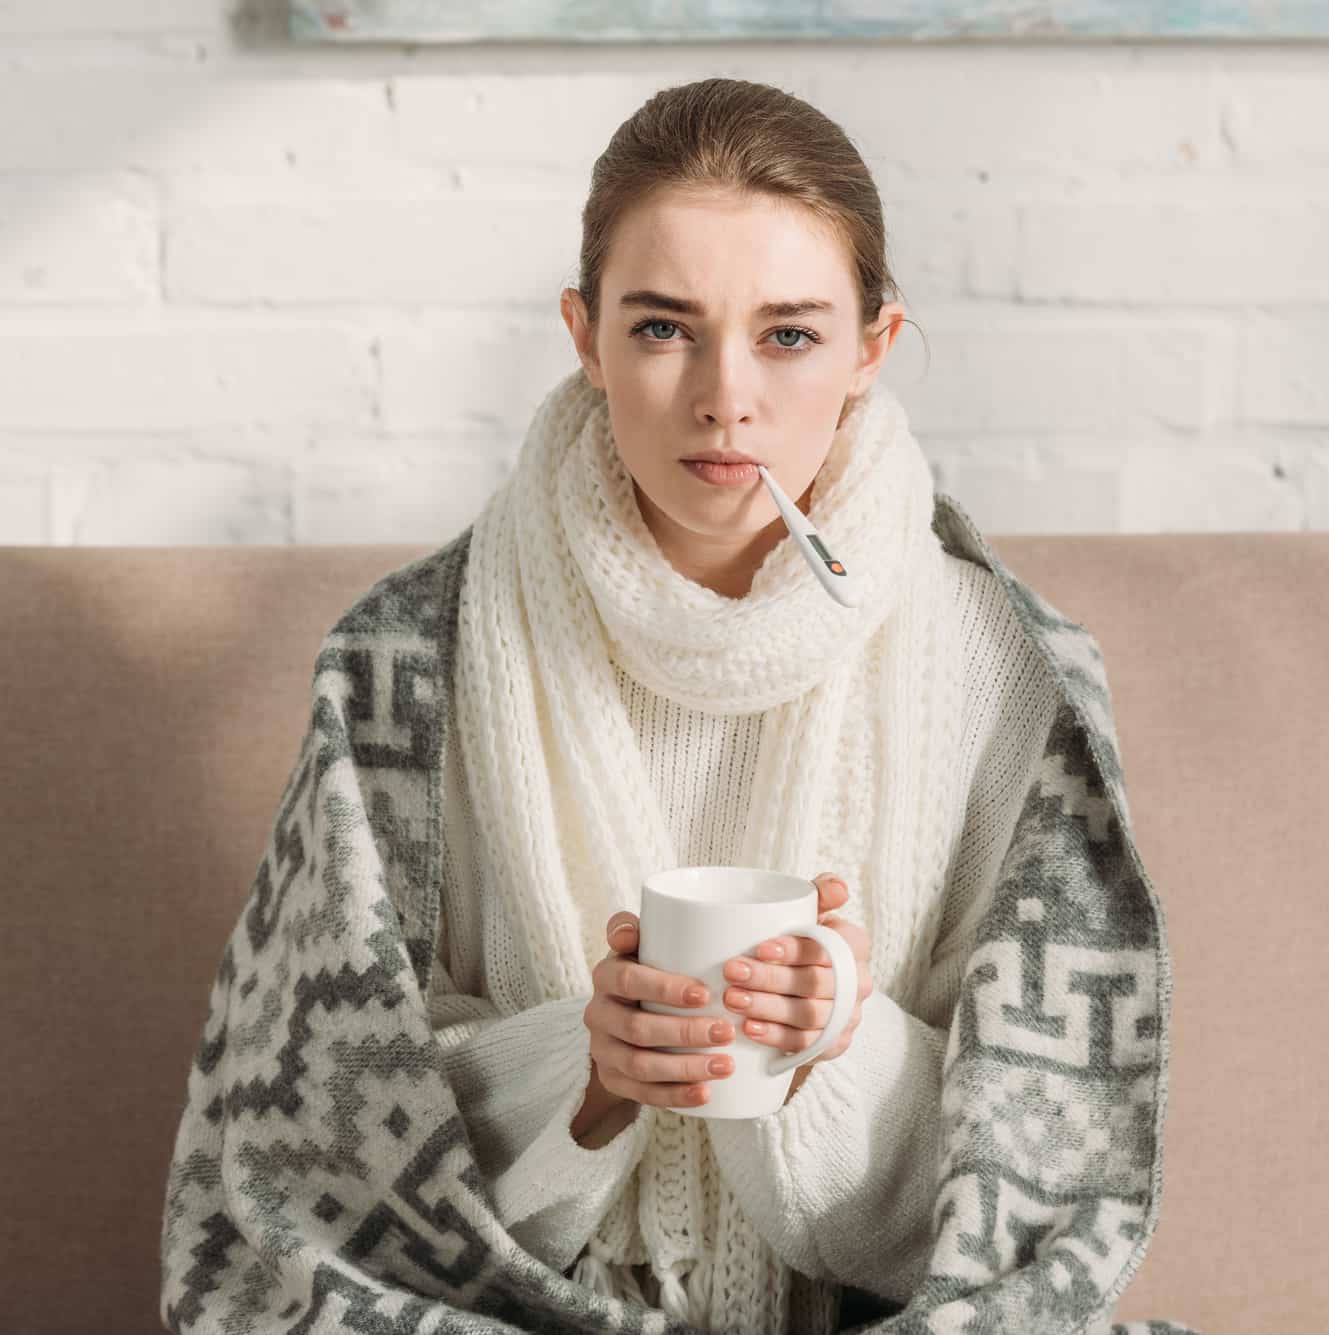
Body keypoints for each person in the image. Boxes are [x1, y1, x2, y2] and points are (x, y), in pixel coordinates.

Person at [159, 77, 1194, 1335]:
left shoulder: (1011, 675)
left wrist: (834, 1053)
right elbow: (313, 1159)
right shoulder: (400, 665)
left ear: (871, 347)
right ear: (583, 335)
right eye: (662, 329)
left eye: (788, 334)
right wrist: (585, 1079)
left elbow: (1039, 1201)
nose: (724, 396)